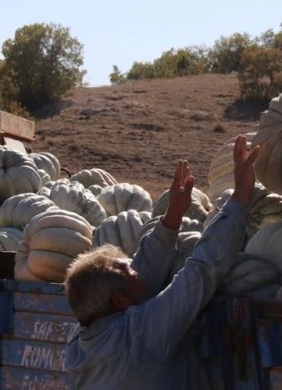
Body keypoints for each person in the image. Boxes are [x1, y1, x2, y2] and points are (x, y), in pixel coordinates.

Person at [64, 135, 260, 389]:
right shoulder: (141, 333)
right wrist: (241, 197)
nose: (137, 272)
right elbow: (201, 270)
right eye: (129, 271)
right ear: (120, 301)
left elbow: (144, 271)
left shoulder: (78, 342)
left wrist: (172, 218)